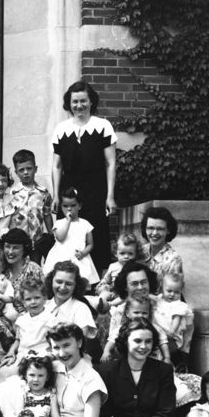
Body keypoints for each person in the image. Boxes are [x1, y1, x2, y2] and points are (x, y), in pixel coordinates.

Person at [50, 81, 117, 273]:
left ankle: (97, 285)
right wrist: (56, 195)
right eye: (74, 102)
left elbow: (110, 163)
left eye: (83, 101)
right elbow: (56, 165)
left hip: (96, 189)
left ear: (91, 102)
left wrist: (110, 196)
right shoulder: (61, 129)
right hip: (69, 193)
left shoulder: (103, 126)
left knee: (96, 234)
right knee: (68, 234)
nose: (79, 106)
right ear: (69, 104)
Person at [0, 263, 97, 385]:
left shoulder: (80, 308)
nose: (63, 287)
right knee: (2, 373)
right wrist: (12, 353)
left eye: (69, 283)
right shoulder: (42, 303)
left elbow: (81, 341)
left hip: (67, 357)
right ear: (51, 282)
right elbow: (23, 334)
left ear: (76, 285)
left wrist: (51, 355)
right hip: (32, 356)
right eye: (59, 282)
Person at [43, 187, 99, 285]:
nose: (69, 209)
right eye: (65, 206)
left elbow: (90, 244)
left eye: (73, 205)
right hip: (61, 257)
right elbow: (60, 238)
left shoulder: (85, 223)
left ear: (79, 206)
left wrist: (83, 252)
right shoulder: (59, 223)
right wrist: (68, 221)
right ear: (61, 207)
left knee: (79, 282)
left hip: (78, 258)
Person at [9, 149, 54, 263]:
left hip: (37, 241)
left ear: (35, 169)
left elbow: (47, 214)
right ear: (16, 172)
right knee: (18, 266)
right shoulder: (12, 193)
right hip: (18, 241)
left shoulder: (43, 193)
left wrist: (51, 234)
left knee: (35, 266)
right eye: (21, 170)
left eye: (29, 168)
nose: (25, 172)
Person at [153, 271, 194, 369]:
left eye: (177, 292)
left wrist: (172, 330)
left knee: (167, 353)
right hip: (158, 333)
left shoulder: (179, 305)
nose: (172, 294)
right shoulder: (159, 300)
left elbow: (177, 319)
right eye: (169, 291)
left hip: (170, 336)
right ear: (162, 288)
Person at [94, 231, 142, 313]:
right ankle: (99, 303)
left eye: (130, 253)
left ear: (136, 254)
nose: (126, 256)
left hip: (125, 293)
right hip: (113, 291)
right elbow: (107, 279)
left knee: (128, 296)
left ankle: (110, 305)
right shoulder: (113, 266)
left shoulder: (135, 267)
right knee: (104, 290)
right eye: (122, 253)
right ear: (116, 253)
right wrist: (103, 282)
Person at [140, 206, 184, 284]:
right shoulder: (140, 251)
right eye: (150, 228)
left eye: (160, 229)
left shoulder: (173, 260)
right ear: (145, 229)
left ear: (168, 230)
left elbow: (172, 292)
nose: (154, 233)